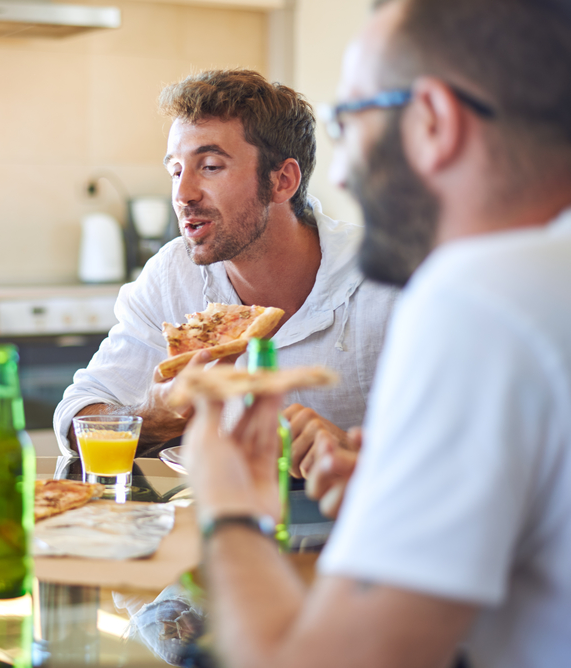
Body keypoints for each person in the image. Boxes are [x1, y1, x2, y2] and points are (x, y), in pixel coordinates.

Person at [184, 0, 571, 666]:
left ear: (434, 122)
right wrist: (404, 504)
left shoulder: (481, 300)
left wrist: (230, 507)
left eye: (350, 121)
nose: (338, 174)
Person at [53, 68, 399, 459]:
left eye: (211, 167)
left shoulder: (391, 280)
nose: (183, 194)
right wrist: (156, 415)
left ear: (282, 180)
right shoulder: (172, 275)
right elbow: (77, 417)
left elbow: (471, 449)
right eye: (176, 170)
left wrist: (359, 458)